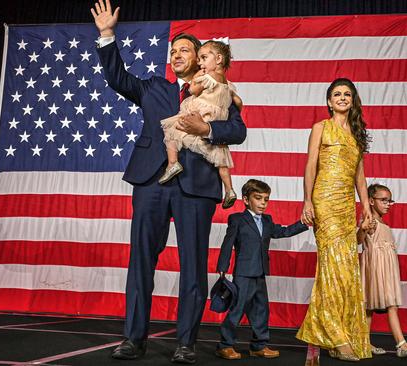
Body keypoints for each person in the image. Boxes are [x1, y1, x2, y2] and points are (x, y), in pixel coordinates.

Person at [91, 0, 247, 363]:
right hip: (151, 182)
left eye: (185, 50)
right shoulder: (154, 88)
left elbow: (238, 130)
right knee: (141, 260)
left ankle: (185, 344)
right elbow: (117, 78)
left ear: (201, 58)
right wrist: (107, 34)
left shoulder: (217, 88)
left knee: (192, 264)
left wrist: (207, 128)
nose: (177, 55)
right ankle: (133, 339)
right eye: (173, 50)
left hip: (197, 185)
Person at [296, 78, 373, 363]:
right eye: (337, 94)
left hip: (345, 205)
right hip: (324, 202)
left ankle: (341, 334)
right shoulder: (321, 127)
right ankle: (336, 338)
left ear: (352, 101)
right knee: (331, 266)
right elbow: (310, 165)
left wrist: (365, 207)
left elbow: (360, 176)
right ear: (329, 101)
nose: (342, 98)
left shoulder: (356, 133)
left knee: (346, 270)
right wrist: (307, 200)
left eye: (347, 95)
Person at [215, 179, 308, 360]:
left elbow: (283, 231)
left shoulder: (267, 220)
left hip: (260, 273)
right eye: (258, 198)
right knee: (237, 309)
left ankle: (258, 345)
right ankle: (225, 345)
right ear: (246, 199)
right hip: (243, 273)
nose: (263, 203)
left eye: (266, 199)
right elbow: (228, 244)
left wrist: (303, 223)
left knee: (261, 310)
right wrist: (222, 267)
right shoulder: (237, 219)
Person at [159, 40, 242, 209]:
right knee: (221, 160)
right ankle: (229, 189)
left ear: (218, 59)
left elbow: (193, 91)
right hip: (217, 115)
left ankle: (173, 163)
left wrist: (196, 80)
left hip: (200, 112)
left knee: (171, 131)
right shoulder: (228, 84)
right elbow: (238, 102)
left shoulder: (207, 77)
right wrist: (225, 111)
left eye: (203, 58)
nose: (200, 63)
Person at [357, 184, 407, 358]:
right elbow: (358, 240)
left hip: (386, 267)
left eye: (390, 201)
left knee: (369, 308)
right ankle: (401, 344)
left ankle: (363, 343)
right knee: (390, 305)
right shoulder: (370, 220)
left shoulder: (380, 221)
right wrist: (363, 228)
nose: (388, 204)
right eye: (384, 200)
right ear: (371, 201)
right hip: (376, 267)